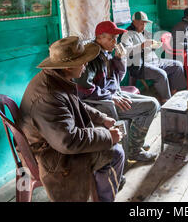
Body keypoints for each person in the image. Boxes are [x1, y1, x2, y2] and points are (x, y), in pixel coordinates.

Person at [18, 36, 125, 202]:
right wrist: (107, 136)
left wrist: (102, 118)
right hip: (50, 154)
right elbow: (68, 141)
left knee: (108, 142)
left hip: (54, 139)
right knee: (115, 153)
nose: (86, 65)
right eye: (82, 62)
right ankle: (104, 195)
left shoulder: (56, 79)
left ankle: (105, 181)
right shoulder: (48, 96)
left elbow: (76, 104)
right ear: (68, 66)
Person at [75, 21, 160, 162]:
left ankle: (134, 141)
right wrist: (111, 97)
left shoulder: (105, 53)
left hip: (114, 93)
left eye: (115, 38)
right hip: (101, 102)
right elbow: (84, 86)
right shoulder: (92, 56)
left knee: (154, 103)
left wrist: (120, 59)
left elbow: (118, 79)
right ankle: (134, 150)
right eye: (111, 38)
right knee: (150, 106)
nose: (115, 41)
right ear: (99, 38)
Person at [120, 11, 187, 103]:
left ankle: (174, 93)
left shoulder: (145, 33)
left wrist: (155, 45)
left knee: (178, 65)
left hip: (155, 60)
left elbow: (151, 47)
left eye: (145, 23)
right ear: (134, 22)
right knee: (161, 74)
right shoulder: (127, 34)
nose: (144, 26)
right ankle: (166, 100)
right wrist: (142, 45)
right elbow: (126, 51)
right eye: (141, 23)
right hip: (141, 64)